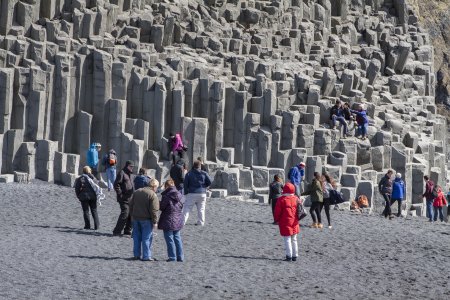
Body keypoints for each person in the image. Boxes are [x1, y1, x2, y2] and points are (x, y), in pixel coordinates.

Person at [129, 179, 159, 261]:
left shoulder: (137, 191)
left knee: (136, 238)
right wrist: (155, 222)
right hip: (146, 219)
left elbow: (131, 204)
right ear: (154, 186)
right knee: (147, 238)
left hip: (136, 218)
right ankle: (146, 256)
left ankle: (136, 255)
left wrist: (132, 215)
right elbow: (154, 210)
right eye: (157, 187)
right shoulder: (153, 194)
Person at [158, 179, 184, 262]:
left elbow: (162, 207)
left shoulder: (166, 195)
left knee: (169, 239)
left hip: (168, 218)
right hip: (178, 218)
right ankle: (180, 257)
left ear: (166, 186)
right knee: (177, 238)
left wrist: (158, 202)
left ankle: (172, 257)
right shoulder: (180, 194)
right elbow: (182, 205)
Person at [274, 182, 299, 262]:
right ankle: (295, 255)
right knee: (294, 239)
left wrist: (276, 219)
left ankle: (289, 256)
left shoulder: (281, 199)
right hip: (295, 221)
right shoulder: (296, 198)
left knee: (287, 239)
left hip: (285, 222)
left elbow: (277, 212)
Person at [183, 160, 212, 226]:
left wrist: (185, 193)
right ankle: (201, 222)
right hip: (202, 193)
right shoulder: (204, 173)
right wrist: (204, 186)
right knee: (201, 208)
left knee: (187, 208)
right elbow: (210, 181)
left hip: (192, 193)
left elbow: (185, 184)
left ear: (194, 165)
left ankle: (182, 222)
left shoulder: (189, 173)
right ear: (200, 166)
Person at [112, 160, 135, 236]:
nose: (132, 168)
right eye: (130, 166)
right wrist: (120, 194)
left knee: (131, 214)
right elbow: (116, 184)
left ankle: (127, 230)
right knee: (125, 213)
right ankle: (117, 231)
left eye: (132, 167)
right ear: (127, 166)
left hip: (131, 198)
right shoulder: (121, 173)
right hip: (123, 198)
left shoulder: (131, 175)